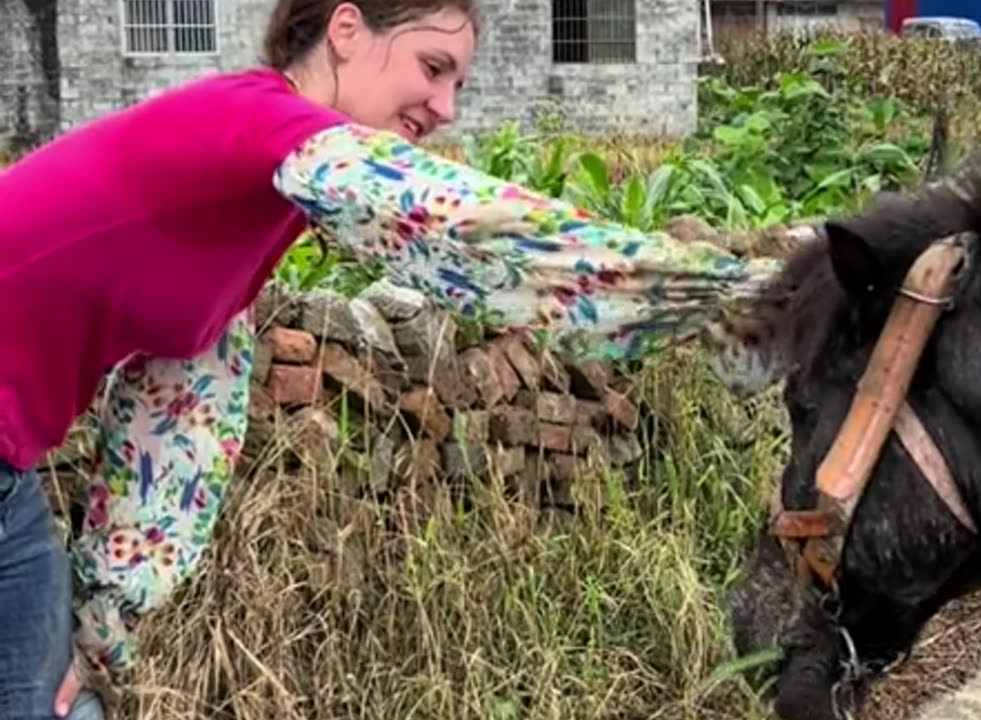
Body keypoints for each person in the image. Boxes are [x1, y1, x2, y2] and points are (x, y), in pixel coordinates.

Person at [0, 0, 789, 717]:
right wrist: (713, 293)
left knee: (71, 700)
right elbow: (456, 222)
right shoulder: (264, 124)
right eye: (432, 67)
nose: (445, 107)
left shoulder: (261, 195)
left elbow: (178, 413)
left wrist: (104, 620)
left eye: (457, 84)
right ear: (347, 32)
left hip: (11, 466)